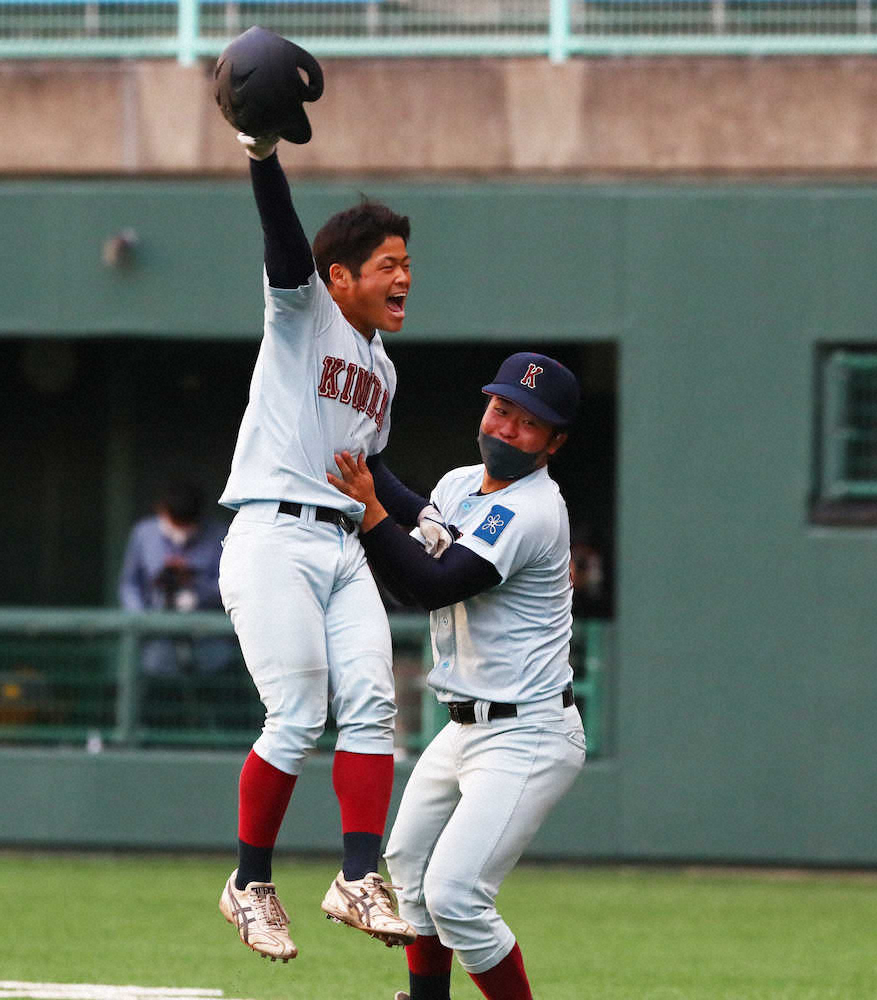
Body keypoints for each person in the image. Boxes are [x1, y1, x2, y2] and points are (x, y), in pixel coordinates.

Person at [216, 131, 452, 962]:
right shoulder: (304, 309)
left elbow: (370, 465)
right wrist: (261, 152)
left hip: (340, 542)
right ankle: (248, 884)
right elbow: (283, 238)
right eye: (387, 263)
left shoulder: (380, 366)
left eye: (407, 263)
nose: (404, 277)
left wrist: (422, 515)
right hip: (272, 533)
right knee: (296, 714)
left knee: (375, 705)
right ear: (340, 277)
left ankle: (356, 875)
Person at [328, 352, 587, 1000]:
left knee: (457, 896)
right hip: (465, 724)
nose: (505, 428)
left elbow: (431, 585)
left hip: (527, 732)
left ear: (554, 442)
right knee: (410, 865)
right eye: (501, 408)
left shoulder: (530, 509)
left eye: (528, 423)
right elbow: (411, 516)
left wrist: (368, 512)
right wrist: (351, 438)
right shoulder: (460, 484)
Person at [118, 482, 232, 684]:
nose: (181, 529)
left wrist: (194, 580)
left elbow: (229, 589)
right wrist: (141, 618)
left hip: (209, 642)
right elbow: (129, 584)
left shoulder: (218, 535)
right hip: (156, 643)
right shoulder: (144, 534)